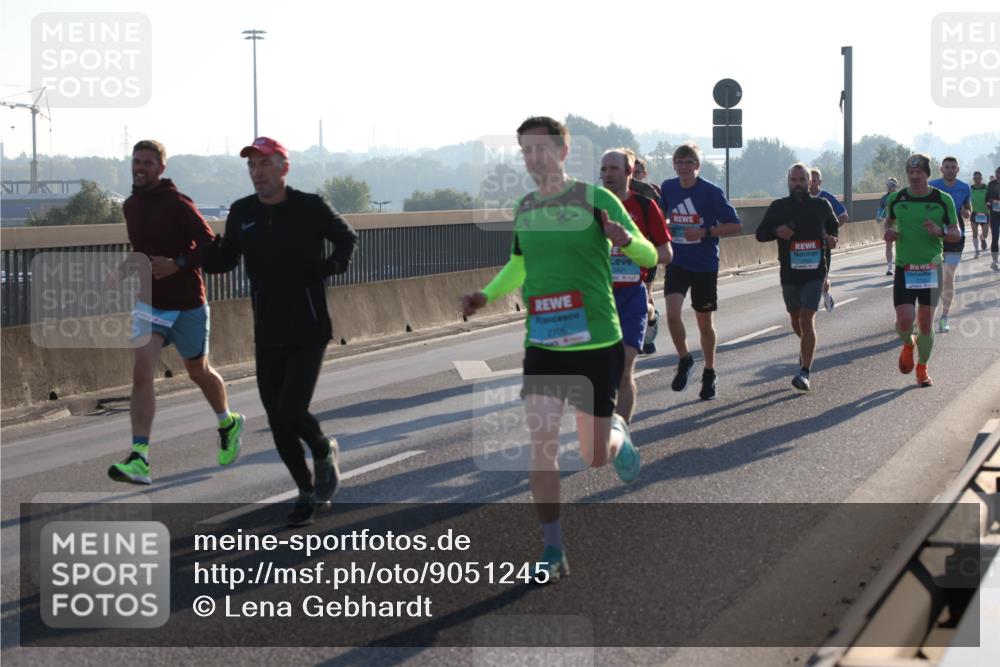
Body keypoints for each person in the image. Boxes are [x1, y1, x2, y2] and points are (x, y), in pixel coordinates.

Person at [460, 117, 657, 583]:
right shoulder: (527, 207)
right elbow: (518, 265)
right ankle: (552, 548)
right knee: (541, 447)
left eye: (541, 150)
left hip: (595, 341)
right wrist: (486, 296)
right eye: (525, 152)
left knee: (593, 456)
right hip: (544, 342)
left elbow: (650, 254)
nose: (533, 160)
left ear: (564, 152)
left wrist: (624, 239)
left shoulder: (596, 200)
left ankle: (618, 434)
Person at [203, 137, 358, 527]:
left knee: (291, 409)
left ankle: (323, 450)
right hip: (267, 328)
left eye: (265, 164)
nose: (258, 173)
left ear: (283, 168)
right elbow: (225, 258)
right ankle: (306, 492)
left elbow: (346, 237)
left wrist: (330, 267)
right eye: (252, 166)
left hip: (309, 326)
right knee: (276, 419)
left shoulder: (309, 206)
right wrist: (195, 254)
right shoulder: (242, 212)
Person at [107, 140, 244, 485]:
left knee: (198, 371)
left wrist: (177, 264)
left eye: (148, 162)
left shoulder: (178, 203)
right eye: (136, 161)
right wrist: (121, 271)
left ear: (161, 168)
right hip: (150, 303)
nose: (140, 167)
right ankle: (140, 457)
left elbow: (210, 243)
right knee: (142, 371)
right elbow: (141, 250)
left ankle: (227, 421)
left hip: (187, 304)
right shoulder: (131, 206)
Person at [659, 142, 742, 400]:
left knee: (704, 322)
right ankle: (684, 359)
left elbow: (735, 225)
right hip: (678, 261)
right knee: (672, 313)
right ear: (674, 165)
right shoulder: (668, 187)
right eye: (679, 162)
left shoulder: (711, 192)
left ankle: (709, 371)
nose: (683, 167)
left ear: (697, 165)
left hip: (705, 264)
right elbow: (661, 215)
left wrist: (705, 232)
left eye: (688, 162)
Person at [599, 148, 672, 422]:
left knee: (624, 368)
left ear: (629, 172)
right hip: (598, 298)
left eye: (613, 169)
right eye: (603, 169)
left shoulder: (644, 206)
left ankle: (621, 433)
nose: (607, 174)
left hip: (631, 295)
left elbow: (666, 255)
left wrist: (632, 247)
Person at [756, 164, 839, 391]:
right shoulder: (778, 207)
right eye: (794, 180)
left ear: (809, 182)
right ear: (788, 182)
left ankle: (805, 372)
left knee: (806, 318)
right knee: (795, 319)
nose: (798, 184)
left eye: (802, 180)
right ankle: (806, 350)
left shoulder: (821, 205)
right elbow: (760, 234)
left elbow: (833, 228)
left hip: (815, 271)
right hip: (790, 272)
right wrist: (777, 231)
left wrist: (832, 238)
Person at [884, 154, 960, 387]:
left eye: (919, 173)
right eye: (910, 173)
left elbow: (956, 233)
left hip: (931, 267)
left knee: (926, 323)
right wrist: (888, 233)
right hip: (904, 268)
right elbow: (889, 223)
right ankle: (909, 343)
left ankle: (922, 369)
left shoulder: (942, 199)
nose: (914, 177)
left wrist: (939, 231)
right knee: (905, 322)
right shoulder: (897, 198)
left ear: (927, 174)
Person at [928, 156, 972, 333]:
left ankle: (944, 318)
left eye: (953, 167)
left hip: (956, 236)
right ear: (941, 169)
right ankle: (927, 318)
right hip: (934, 237)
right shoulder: (932, 186)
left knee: (947, 278)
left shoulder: (964, 187)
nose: (950, 170)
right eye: (947, 167)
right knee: (933, 279)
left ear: (958, 169)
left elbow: (968, 207)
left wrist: (966, 211)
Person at [808, 168, 849, 311]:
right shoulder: (800, 197)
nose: (811, 183)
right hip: (805, 245)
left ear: (820, 182)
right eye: (809, 180)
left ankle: (825, 293)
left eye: (814, 180)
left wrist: (831, 232)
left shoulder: (826, 198)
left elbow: (844, 216)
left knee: (822, 279)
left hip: (823, 244)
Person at [877, 178, 899, 275]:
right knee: (888, 246)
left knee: (900, 246)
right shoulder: (884, 198)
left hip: (901, 224)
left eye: (892, 185)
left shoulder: (901, 196)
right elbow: (881, 208)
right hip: (890, 224)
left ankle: (899, 265)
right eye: (888, 185)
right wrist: (879, 216)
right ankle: (890, 266)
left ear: (896, 186)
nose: (890, 187)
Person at [969, 170, 989, 258]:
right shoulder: (971, 188)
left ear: (981, 178)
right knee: (974, 233)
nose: (977, 180)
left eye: (979, 178)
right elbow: (966, 199)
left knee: (985, 234)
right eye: (975, 178)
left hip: (985, 214)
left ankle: (983, 239)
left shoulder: (986, 187)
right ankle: (977, 251)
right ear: (973, 179)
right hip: (975, 214)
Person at [989, 167, 1000, 271]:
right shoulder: (991, 184)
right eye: (997, 174)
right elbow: (987, 196)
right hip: (995, 213)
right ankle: (995, 261)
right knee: (995, 236)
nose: (997, 176)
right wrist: (987, 203)